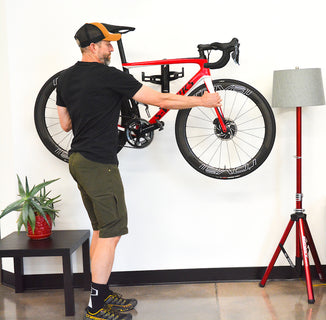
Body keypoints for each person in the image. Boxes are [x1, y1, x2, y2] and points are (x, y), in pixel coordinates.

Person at [56, 22, 221, 320]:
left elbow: (65, 124)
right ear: (93, 47)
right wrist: (202, 101)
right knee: (112, 233)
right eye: (107, 44)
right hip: (99, 164)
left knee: (101, 229)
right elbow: (160, 100)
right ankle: (95, 306)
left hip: (78, 161)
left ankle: (102, 294)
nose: (110, 49)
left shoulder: (65, 79)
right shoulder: (109, 77)